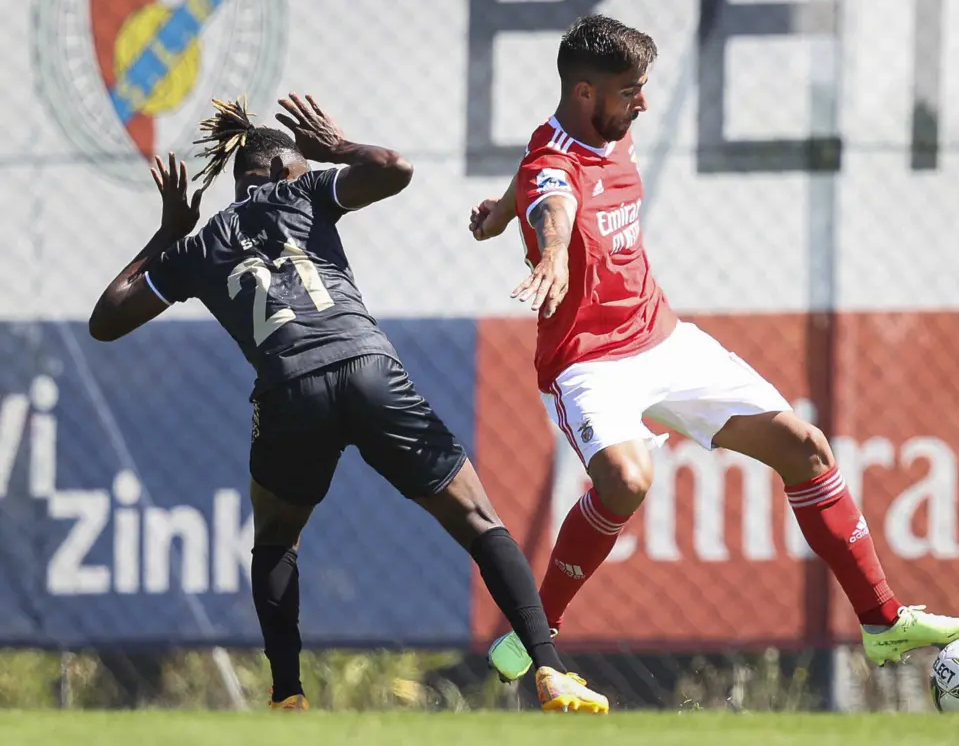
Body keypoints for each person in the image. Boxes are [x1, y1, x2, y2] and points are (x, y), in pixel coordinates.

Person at [469, 15, 959, 682]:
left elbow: (532, 178)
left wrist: (499, 211)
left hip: (663, 337)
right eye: (632, 91)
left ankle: (882, 622)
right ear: (588, 94)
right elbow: (553, 198)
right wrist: (555, 250)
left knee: (805, 447)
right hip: (589, 362)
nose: (644, 103)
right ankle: (536, 630)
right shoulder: (554, 164)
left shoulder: (584, 132)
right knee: (626, 481)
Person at [88, 94, 608, 714]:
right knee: (477, 519)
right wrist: (335, 149)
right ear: (285, 169)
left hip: (288, 388)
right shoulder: (303, 192)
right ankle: (550, 673)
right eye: (302, 164)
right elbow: (394, 168)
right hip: (368, 369)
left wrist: (165, 233)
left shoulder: (198, 248)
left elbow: (107, 319)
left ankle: (287, 697)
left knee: (277, 540)